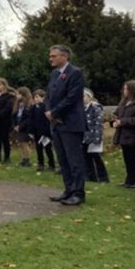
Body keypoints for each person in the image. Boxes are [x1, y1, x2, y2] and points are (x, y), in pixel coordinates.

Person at [45, 45, 86, 206]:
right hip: (56, 124)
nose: (51, 58)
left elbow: (72, 97)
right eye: (50, 55)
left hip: (70, 123)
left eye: (54, 56)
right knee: (62, 160)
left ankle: (78, 193)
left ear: (65, 57)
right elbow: (48, 95)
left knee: (74, 160)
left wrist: (55, 113)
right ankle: (68, 189)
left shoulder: (75, 73)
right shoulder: (54, 74)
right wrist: (49, 112)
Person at [111, 80, 135, 188]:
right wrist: (114, 120)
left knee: (134, 159)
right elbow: (117, 113)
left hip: (134, 135)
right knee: (127, 158)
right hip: (123, 134)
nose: (124, 91)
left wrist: (122, 122)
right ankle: (129, 179)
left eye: (127, 89)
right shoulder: (123, 102)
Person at [82, 88, 109, 182]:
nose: (82, 98)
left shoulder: (95, 108)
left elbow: (98, 123)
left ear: (90, 97)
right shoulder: (82, 108)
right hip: (84, 137)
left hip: (93, 136)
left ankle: (103, 177)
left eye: (84, 96)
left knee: (96, 157)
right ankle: (90, 175)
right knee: (86, 158)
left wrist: (96, 138)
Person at [31, 89, 55, 171]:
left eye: (37, 97)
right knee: (38, 148)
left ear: (43, 97)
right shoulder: (33, 107)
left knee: (48, 148)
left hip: (45, 132)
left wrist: (46, 132)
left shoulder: (45, 107)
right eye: (34, 97)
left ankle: (51, 164)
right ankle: (40, 163)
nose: (35, 99)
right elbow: (32, 119)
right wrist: (31, 130)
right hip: (37, 132)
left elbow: (47, 121)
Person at [13, 87, 34, 167]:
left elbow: (29, 118)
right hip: (18, 125)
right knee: (21, 144)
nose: (16, 96)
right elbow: (14, 115)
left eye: (18, 94)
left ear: (23, 95)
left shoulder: (29, 105)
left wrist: (21, 126)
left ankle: (27, 159)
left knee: (25, 144)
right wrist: (15, 125)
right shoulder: (18, 104)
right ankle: (23, 159)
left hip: (25, 127)